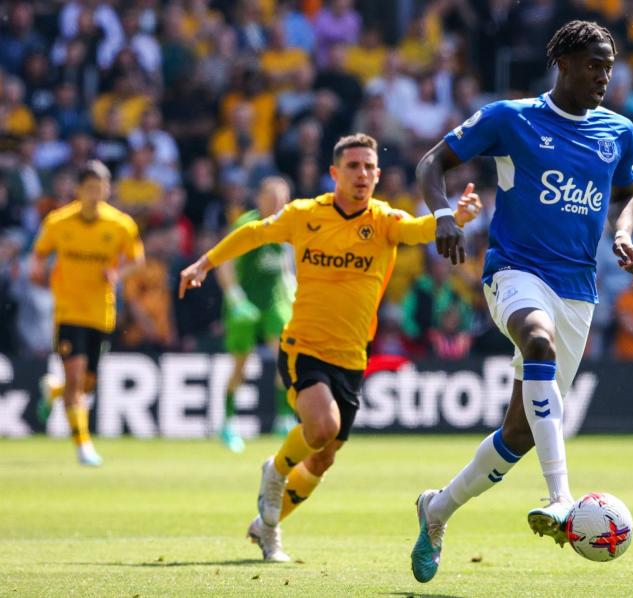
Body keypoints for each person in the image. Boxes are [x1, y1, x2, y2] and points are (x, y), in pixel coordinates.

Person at [410, 21, 633, 583]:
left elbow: (628, 192)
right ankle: (561, 498)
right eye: (593, 64)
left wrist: (623, 232)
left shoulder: (620, 131)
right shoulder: (510, 119)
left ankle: (435, 510)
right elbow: (431, 163)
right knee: (534, 338)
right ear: (562, 62)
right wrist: (443, 216)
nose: (603, 76)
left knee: (518, 432)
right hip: (515, 272)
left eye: (609, 66)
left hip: (578, 291)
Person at [178, 133, 480, 562]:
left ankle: (267, 527)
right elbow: (253, 234)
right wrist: (205, 263)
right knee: (321, 428)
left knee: (321, 461)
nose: (362, 174)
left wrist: (457, 215)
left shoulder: (384, 221)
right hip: (304, 345)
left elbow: (422, 228)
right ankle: (276, 469)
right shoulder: (305, 215)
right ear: (334, 173)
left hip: (352, 357)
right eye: (353, 166)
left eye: (369, 167)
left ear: (378, 174)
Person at [31, 160, 145, 466]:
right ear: (78, 190)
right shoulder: (58, 222)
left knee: (86, 384)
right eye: (89, 188)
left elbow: (137, 260)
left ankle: (54, 391)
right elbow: (39, 254)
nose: (95, 194)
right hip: (68, 310)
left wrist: (118, 272)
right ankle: (83, 445)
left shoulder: (120, 224)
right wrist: (37, 272)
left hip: (101, 313)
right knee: (76, 374)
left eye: (100, 188)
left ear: (108, 190)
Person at [215, 177, 297, 453]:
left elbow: (289, 264)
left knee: (286, 357)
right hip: (245, 302)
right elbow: (223, 261)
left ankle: (284, 418)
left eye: (280, 199)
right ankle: (227, 423)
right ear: (259, 198)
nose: (276, 204)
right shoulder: (246, 225)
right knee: (241, 365)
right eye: (271, 198)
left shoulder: (289, 225)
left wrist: (294, 289)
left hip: (274, 301)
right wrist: (235, 298)